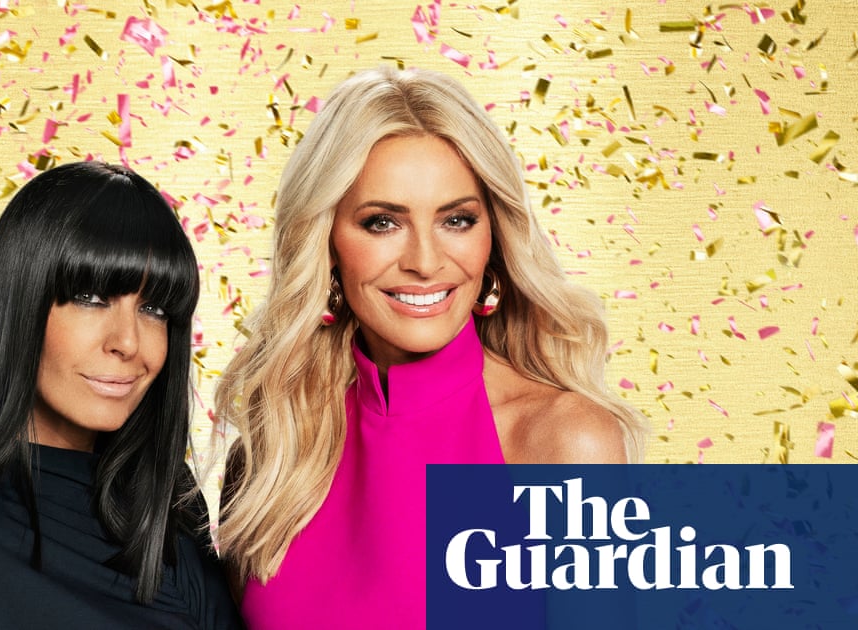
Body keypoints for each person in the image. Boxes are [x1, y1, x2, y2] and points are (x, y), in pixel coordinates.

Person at [215, 66, 648, 628]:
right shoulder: (276, 449)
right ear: (326, 241)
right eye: (382, 223)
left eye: (457, 220)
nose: (424, 261)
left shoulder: (566, 442)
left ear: (494, 237)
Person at [0, 161, 241, 629]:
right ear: (21, 305)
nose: (128, 342)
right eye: (91, 298)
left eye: (154, 308)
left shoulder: (170, 507)